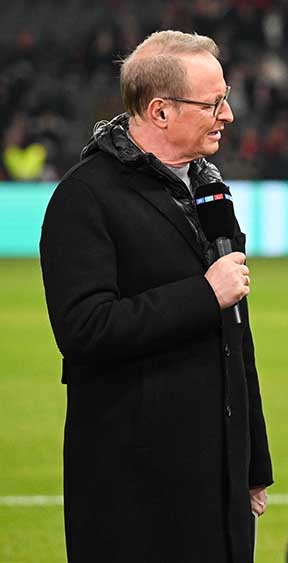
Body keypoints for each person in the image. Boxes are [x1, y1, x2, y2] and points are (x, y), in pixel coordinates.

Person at [39, 31, 272, 563]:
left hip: (218, 481)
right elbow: (85, 330)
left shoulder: (210, 191)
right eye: (213, 102)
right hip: (134, 491)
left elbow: (237, 336)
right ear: (160, 111)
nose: (228, 114)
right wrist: (202, 294)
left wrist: (252, 461)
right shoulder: (84, 197)